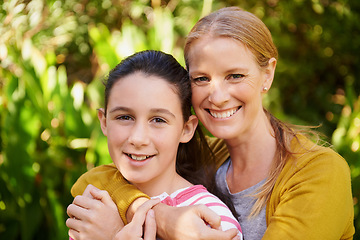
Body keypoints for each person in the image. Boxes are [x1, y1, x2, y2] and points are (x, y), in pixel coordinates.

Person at [67, 7, 355, 240]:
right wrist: (153, 214)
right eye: (201, 79)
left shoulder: (320, 172)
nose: (217, 96)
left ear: (267, 75)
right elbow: (94, 180)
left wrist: (121, 232)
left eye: (235, 76)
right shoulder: (205, 157)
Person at [66, 50, 242, 240]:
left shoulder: (209, 219)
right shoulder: (98, 204)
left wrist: (114, 234)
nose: (138, 138)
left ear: (186, 129)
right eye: (124, 117)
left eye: (158, 120)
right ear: (104, 121)